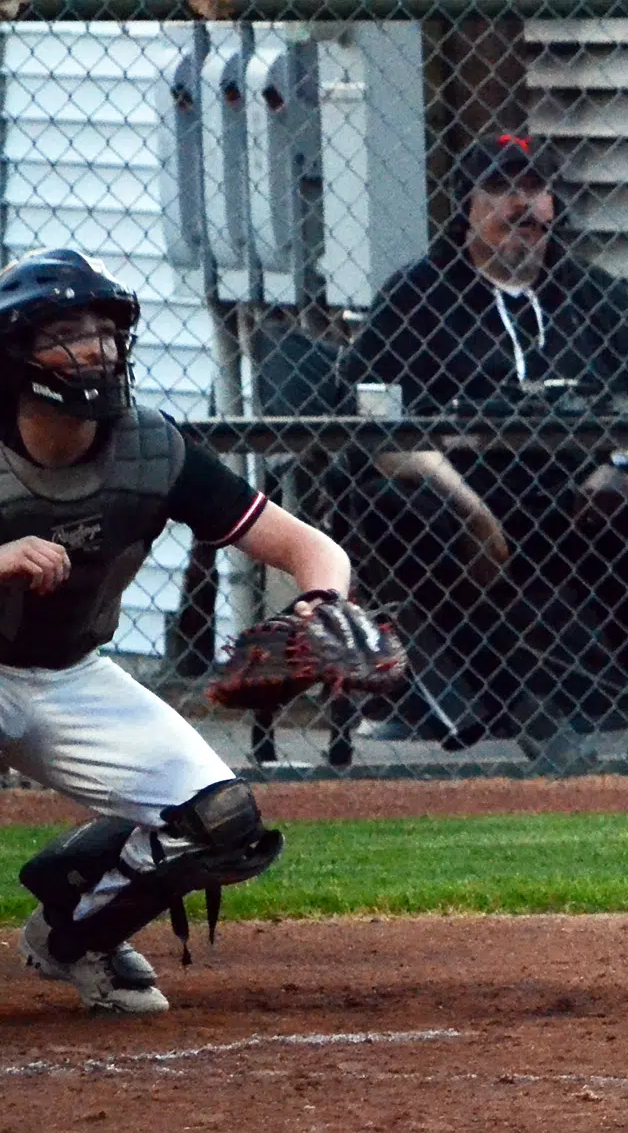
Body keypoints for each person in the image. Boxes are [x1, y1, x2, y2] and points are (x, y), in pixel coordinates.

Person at [0, 250, 353, 1014]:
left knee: (223, 822)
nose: (94, 348)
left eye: (104, 329)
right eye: (66, 331)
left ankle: (72, 932)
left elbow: (308, 548)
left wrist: (319, 606)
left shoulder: (148, 446)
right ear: (17, 353)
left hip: (67, 675)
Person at [343, 134, 628, 765]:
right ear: (466, 206)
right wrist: (472, 509)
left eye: (535, 191)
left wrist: (623, 466)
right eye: (500, 191)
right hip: (464, 494)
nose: (522, 206)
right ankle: (479, 694)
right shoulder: (417, 295)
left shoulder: (592, 295)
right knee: (399, 506)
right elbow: (364, 416)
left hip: (581, 495)